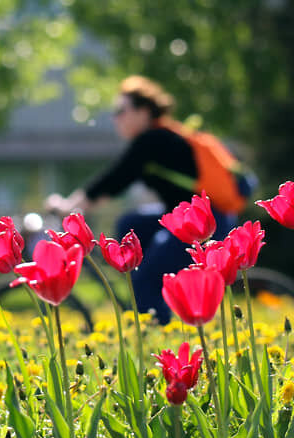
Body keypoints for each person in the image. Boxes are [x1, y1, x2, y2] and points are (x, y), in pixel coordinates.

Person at [47, 75, 238, 324]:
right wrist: (78, 207)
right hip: (189, 219)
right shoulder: (159, 138)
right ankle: (151, 297)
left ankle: (155, 329)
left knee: (145, 280)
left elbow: (115, 179)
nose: (116, 118)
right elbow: (115, 185)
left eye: (121, 110)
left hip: (203, 225)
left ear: (144, 112)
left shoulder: (153, 140)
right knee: (130, 224)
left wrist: (70, 207)